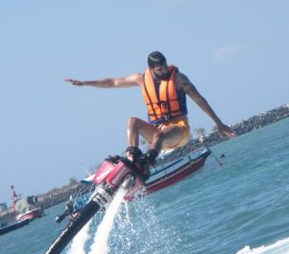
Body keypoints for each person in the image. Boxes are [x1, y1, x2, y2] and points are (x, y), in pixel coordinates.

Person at [65, 51, 235, 176]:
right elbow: (112, 82)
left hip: (179, 130)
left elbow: (199, 99)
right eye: (159, 69)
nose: (164, 71)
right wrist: (85, 83)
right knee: (133, 121)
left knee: (159, 135)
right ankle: (131, 162)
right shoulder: (140, 79)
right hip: (157, 132)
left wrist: (218, 122)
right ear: (151, 69)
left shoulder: (179, 79)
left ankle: (145, 166)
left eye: (165, 66)